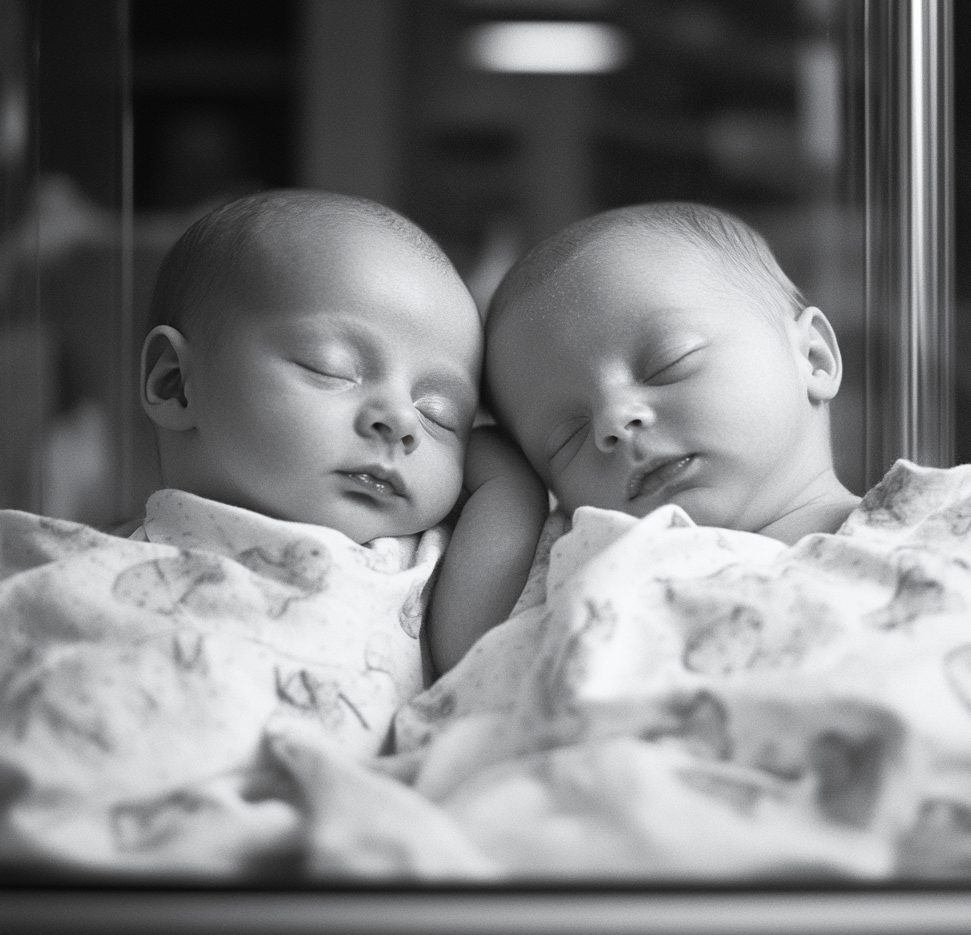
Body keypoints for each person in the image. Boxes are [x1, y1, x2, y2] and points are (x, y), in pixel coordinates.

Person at [139, 189, 548, 675]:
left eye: (438, 414)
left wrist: (506, 480)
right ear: (176, 385)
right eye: (332, 370)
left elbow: (479, 667)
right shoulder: (81, 558)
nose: (399, 420)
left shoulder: (419, 575)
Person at [484, 201, 861, 546]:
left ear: (813, 358)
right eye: (567, 437)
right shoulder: (582, 573)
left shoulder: (914, 534)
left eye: (669, 364)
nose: (613, 420)